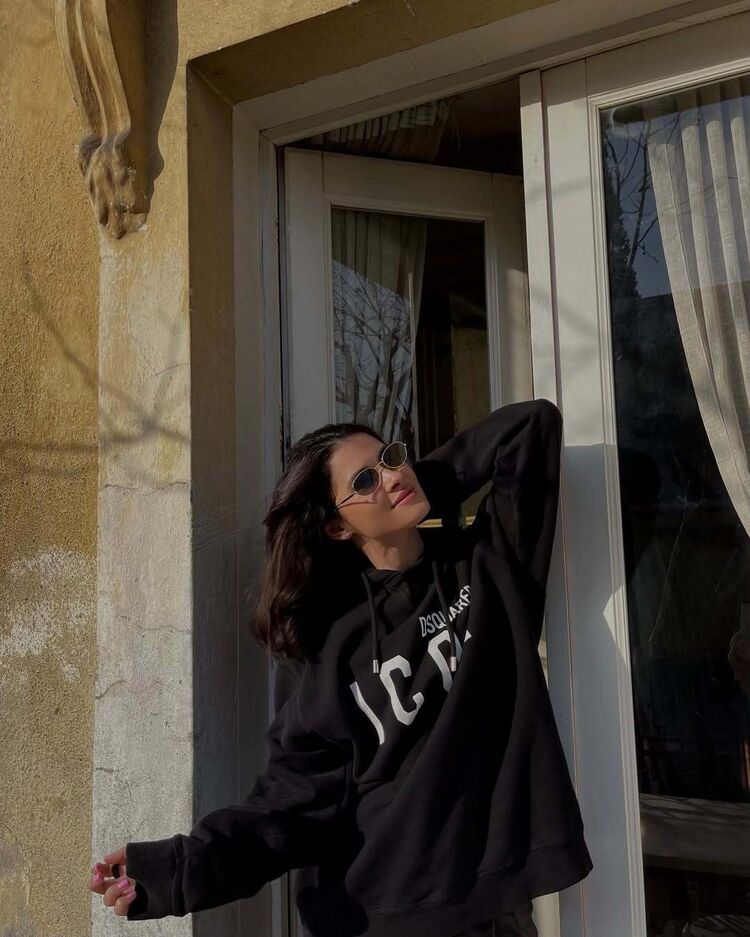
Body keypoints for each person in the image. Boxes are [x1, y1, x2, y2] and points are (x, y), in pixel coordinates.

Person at [88, 397, 594, 936]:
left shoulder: (488, 566)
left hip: (493, 903)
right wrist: (181, 870)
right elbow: (292, 802)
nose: (392, 475)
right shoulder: (325, 647)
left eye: (392, 457)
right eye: (365, 480)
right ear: (335, 527)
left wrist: (410, 490)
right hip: (379, 913)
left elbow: (530, 428)